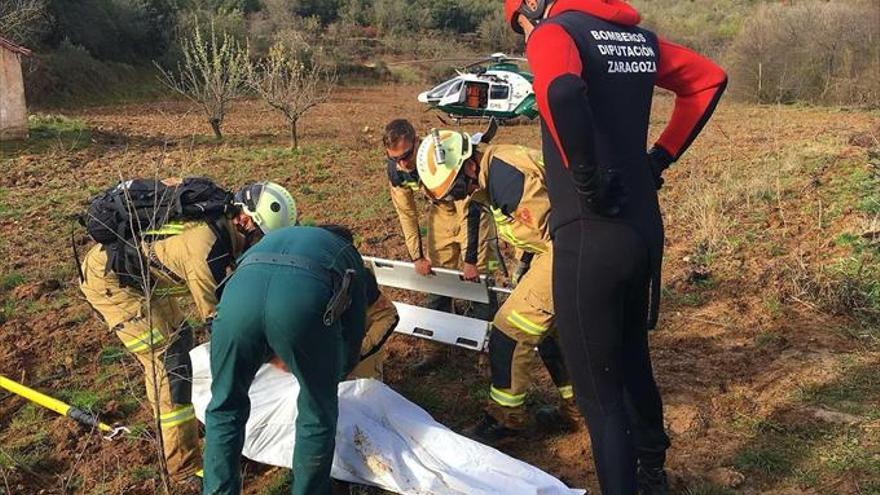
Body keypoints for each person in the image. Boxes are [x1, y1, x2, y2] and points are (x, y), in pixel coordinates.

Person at [503, 0, 727, 493]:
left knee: (601, 403)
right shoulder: (638, 41)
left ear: (533, 6)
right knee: (632, 362)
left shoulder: (553, 34)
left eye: (519, 22)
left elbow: (561, 90)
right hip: (643, 230)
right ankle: (653, 474)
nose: (523, 36)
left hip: (590, 236)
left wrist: (585, 180)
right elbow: (709, 78)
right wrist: (659, 157)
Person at [80, 180, 297, 487]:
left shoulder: (220, 225)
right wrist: (273, 357)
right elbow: (223, 324)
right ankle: (181, 470)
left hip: (143, 276)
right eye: (262, 237)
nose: (262, 246)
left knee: (180, 337)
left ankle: (185, 432)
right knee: (169, 362)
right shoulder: (207, 249)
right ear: (245, 220)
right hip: (111, 283)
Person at [416, 130, 579, 442]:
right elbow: (537, 229)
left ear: (469, 166)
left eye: (457, 189)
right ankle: (577, 408)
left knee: (508, 332)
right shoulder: (494, 172)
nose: (459, 196)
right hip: (561, 249)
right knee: (547, 333)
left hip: (569, 250)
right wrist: (525, 266)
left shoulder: (505, 178)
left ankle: (505, 420)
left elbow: (558, 230)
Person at [202, 226, 370, 495]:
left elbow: (262, 304)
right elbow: (354, 328)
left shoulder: (276, 238)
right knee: (317, 411)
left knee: (225, 406)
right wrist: (336, 372)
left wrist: (271, 352)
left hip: (237, 301)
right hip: (301, 302)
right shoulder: (346, 253)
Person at [383, 119, 497, 372]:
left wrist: (470, 260)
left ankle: (486, 352)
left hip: (469, 207)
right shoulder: (397, 171)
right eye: (395, 159)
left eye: (405, 156)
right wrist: (417, 256)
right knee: (437, 281)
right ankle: (436, 348)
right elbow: (406, 214)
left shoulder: (440, 157)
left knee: (478, 281)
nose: (402, 163)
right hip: (440, 213)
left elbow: (472, 204)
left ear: (417, 141)